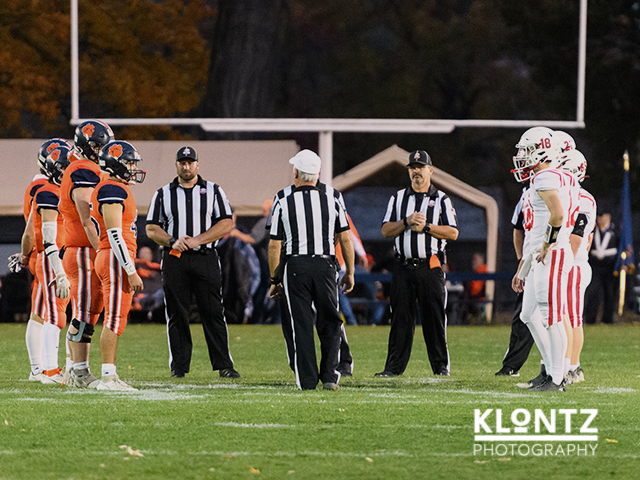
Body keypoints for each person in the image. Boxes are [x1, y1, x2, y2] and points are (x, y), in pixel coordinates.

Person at [146, 146, 240, 379]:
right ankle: (178, 367)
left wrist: (198, 239)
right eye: (182, 162)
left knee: (213, 311)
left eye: (190, 162)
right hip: (175, 258)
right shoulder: (163, 193)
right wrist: (172, 240)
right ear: (176, 165)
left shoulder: (213, 190)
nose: (186, 166)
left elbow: (226, 223)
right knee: (177, 313)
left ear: (197, 165)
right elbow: (151, 228)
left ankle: (224, 365)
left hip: (205, 256)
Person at [268, 149, 355, 390]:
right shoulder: (333, 197)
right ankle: (330, 376)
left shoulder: (283, 199)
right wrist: (350, 272)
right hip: (326, 264)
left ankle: (306, 381)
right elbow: (345, 238)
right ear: (318, 174)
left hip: (296, 265)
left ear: (296, 172)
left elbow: (274, 244)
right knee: (331, 321)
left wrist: (275, 279)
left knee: (301, 325)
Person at [375, 149, 459, 377]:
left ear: (430, 170)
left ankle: (441, 368)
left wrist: (427, 227)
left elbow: (453, 232)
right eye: (412, 168)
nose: (416, 172)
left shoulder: (441, 199)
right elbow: (385, 230)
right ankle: (393, 369)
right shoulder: (398, 198)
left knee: (434, 318)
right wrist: (406, 221)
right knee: (400, 318)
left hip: (430, 266)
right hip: (403, 266)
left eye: (420, 168)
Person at [511, 126, 579, 392]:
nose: (522, 156)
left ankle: (557, 378)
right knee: (528, 314)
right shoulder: (562, 177)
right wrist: (524, 267)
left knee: (551, 317)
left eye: (527, 150)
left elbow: (558, 215)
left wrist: (548, 245)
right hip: (541, 253)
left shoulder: (545, 177)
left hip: (551, 253)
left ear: (542, 150)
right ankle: (550, 372)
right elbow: (538, 226)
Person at [10, 138, 71, 381]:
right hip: (50, 253)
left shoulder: (35, 187)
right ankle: (49, 369)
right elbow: (40, 230)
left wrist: (25, 254)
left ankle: (37, 369)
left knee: (38, 312)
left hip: (38, 252)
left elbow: (28, 231)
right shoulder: (47, 190)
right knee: (55, 312)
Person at [60, 120, 114, 388]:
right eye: (98, 146)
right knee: (83, 312)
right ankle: (79, 371)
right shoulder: (82, 169)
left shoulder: (89, 168)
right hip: (83, 249)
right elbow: (87, 218)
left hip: (86, 249)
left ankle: (73, 369)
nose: (102, 150)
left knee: (89, 311)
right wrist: (102, 249)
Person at [91, 141, 147, 390]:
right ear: (116, 164)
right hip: (114, 258)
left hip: (113, 257)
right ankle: (108, 376)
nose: (133, 168)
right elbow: (114, 234)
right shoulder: (112, 188)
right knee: (114, 318)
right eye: (130, 163)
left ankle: (110, 375)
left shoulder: (116, 187)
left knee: (117, 317)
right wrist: (131, 270)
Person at [560, 149, 595, 384]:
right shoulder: (570, 195)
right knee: (564, 316)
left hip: (573, 263)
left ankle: (573, 367)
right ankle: (565, 366)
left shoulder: (582, 198)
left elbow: (578, 236)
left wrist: (566, 262)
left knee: (572, 317)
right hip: (573, 261)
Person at [495, 184, 535, 377]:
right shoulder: (528, 193)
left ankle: (566, 367)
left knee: (559, 319)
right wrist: (522, 261)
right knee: (525, 315)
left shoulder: (565, 191)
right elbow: (518, 228)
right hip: (533, 261)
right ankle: (512, 365)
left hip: (557, 261)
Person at [584, 212, 618, 324]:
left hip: (610, 265)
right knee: (593, 291)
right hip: (595, 265)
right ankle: (590, 319)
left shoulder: (615, 230)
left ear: (608, 216)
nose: (599, 219)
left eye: (602, 216)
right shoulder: (593, 230)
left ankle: (608, 319)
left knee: (609, 293)